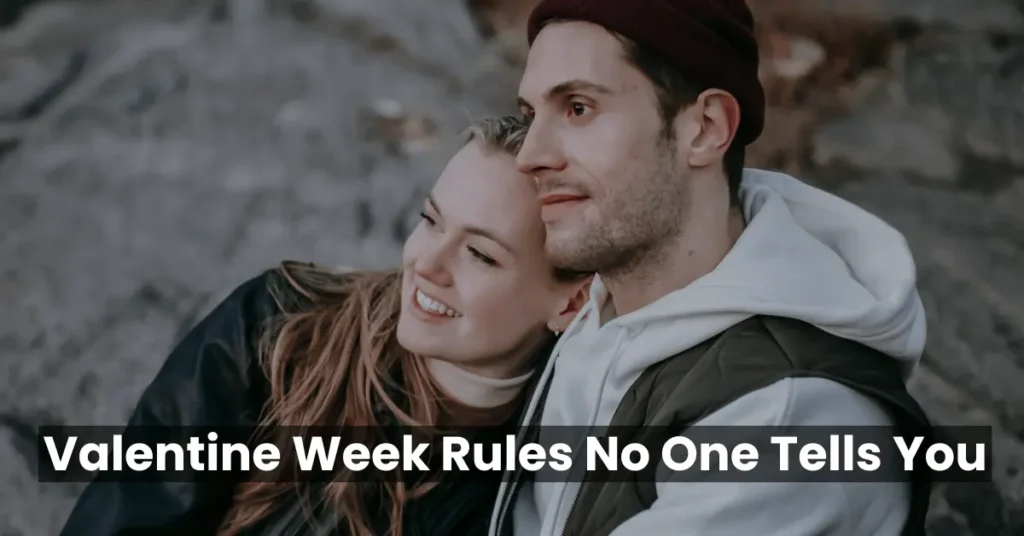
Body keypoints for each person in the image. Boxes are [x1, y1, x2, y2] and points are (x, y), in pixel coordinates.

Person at [488, 1, 935, 535]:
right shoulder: (598, 303)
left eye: (578, 108)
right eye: (531, 115)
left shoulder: (784, 419)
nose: (529, 155)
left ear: (703, 128)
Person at [57, 115, 591, 536]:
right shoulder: (277, 329)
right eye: (430, 220)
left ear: (570, 303)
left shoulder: (558, 467)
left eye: (479, 253)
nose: (426, 264)